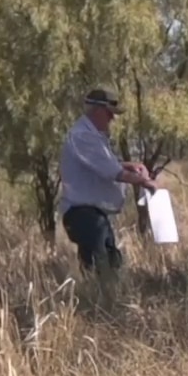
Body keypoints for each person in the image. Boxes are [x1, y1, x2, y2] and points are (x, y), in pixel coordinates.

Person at [57, 88, 158, 280]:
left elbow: (103, 165)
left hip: (93, 216)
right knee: (100, 269)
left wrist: (132, 166)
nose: (113, 119)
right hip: (84, 215)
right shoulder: (83, 136)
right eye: (110, 113)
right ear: (97, 110)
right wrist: (146, 182)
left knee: (112, 264)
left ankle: (105, 303)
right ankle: (97, 305)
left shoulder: (92, 136)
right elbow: (114, 172)